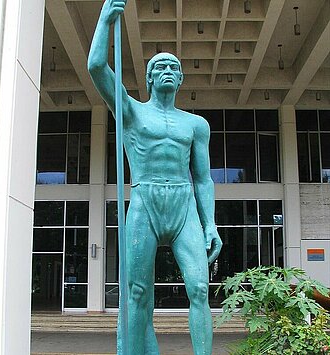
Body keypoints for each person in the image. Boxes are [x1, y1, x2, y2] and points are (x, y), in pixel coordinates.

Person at [87, 1, 222, 354]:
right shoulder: (131, 112)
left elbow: (204, 179)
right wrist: (106, 18)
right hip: (145, 200)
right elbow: (96, 66)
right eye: (159, 66)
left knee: (199, 288)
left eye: (173, 66)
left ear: (180, 78)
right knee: (137, 291)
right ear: (148, 78)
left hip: (183, 204)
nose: (166, 69)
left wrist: (211, 225)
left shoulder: (196, 125)